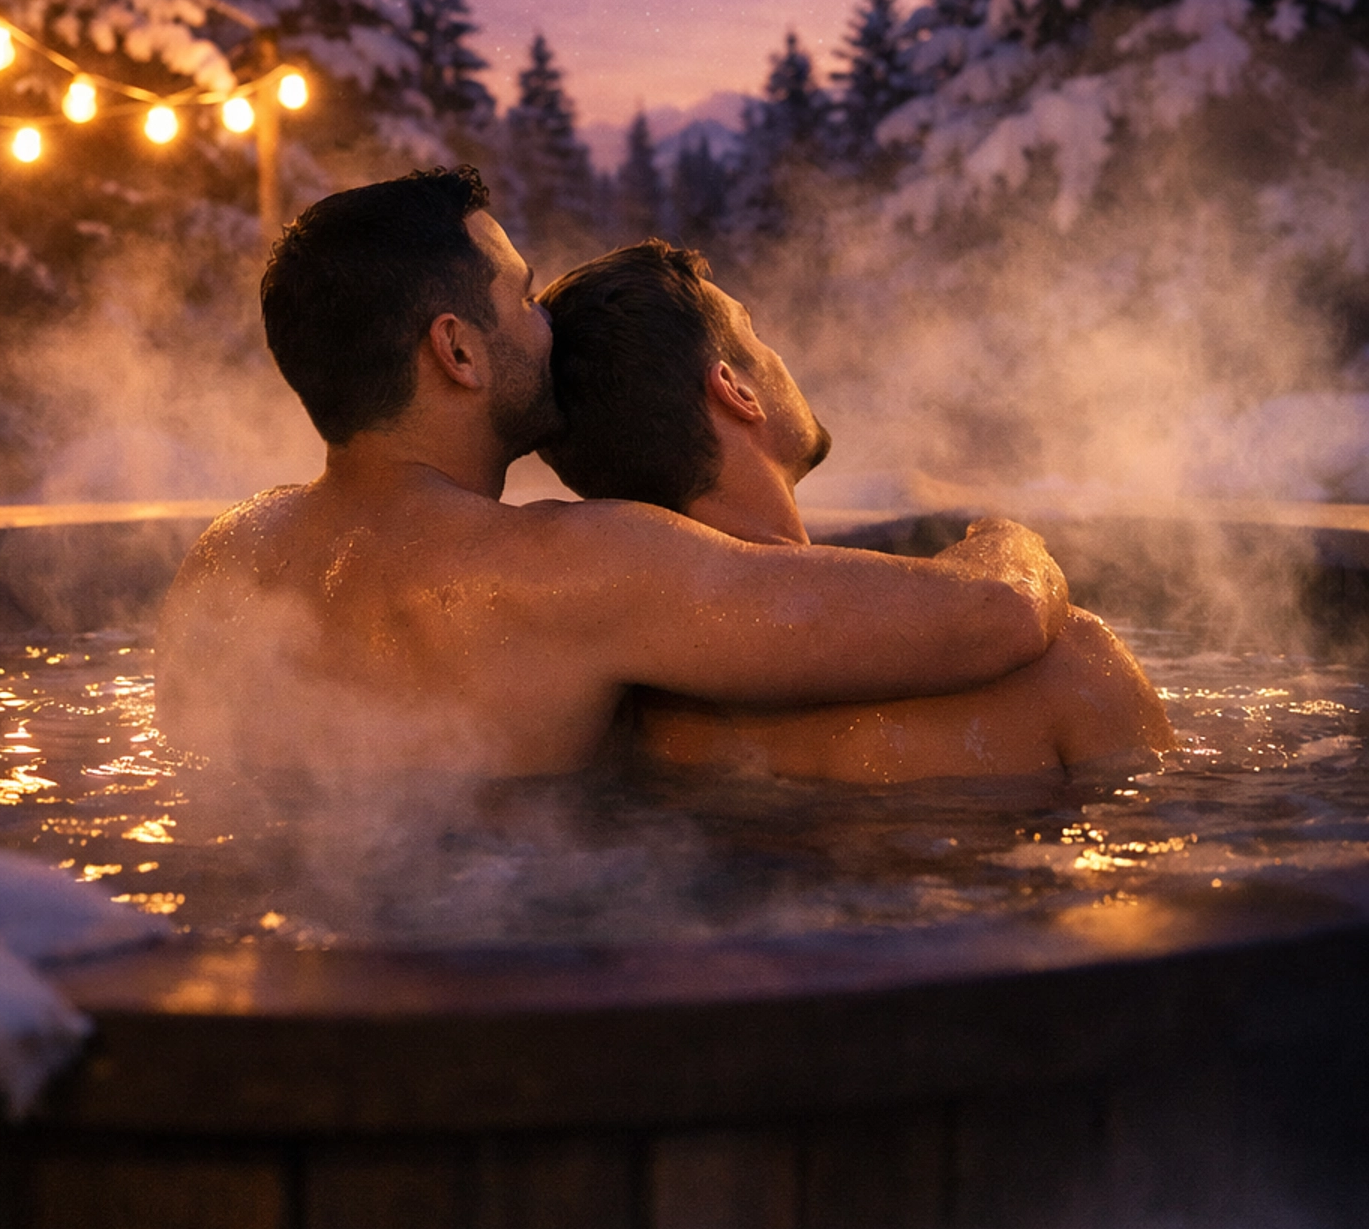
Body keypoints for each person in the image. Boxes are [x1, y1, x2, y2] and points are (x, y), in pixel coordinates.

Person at [157, 168, 1070, 780]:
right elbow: (999, 619)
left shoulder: (224, 558)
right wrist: (1006, 538)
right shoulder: (568, 567)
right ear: (459, 352)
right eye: (520, 298)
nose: (544, 325)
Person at [538, 239, 1172, 782]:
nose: (779, 358)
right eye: (755, 335)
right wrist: (1010, 538)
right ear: (736, 389)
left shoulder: (599, 708)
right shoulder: (1060, 672)